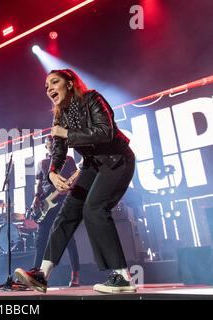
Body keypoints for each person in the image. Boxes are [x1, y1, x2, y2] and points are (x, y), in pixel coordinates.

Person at [15, 69, 136, 294]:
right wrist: (52, 171)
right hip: (92, 164)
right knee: (67, 212)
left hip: (117, 159)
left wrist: (67, 134)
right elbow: (58, 150)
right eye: (46, 87)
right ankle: (42, 274)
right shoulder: (60, 116)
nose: (49, 89)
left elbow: (105, 132)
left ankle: (122, 276)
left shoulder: (92, 99)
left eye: (54, 82)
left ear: (70, 83)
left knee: (94, 208)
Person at [29, 135, 80, 287]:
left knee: (68, 239)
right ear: (46, 146)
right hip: (46, 205)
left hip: (63, 201)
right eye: (49, 142)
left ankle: (75, 274)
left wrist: (69, 187)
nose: (51, 144)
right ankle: (35, 272)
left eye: (54, 142)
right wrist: (36, 198)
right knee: (41, 240)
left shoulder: (68, 160)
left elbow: (75, 176)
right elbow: (38, 183)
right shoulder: (42, 163)